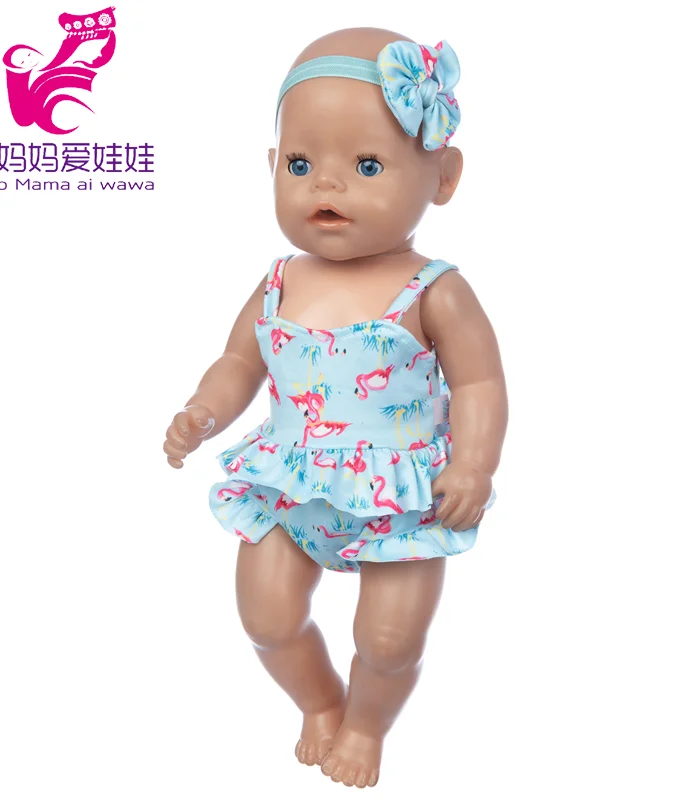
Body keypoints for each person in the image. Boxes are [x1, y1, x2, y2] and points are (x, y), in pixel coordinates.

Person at [163, 27, 508, 789]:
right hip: (288, 485)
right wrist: (204, 410)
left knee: (388, 640)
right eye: (300, 164)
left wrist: (473, 465)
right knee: (266, 618)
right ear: (271, 167)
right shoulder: (279, 281)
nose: (327, 184)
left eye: (368, 165)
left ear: (443, 175)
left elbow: (480, 384)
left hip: (403, 496)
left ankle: (367, 724)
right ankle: (320, 703)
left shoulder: (434, 289)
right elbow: (240, 361)